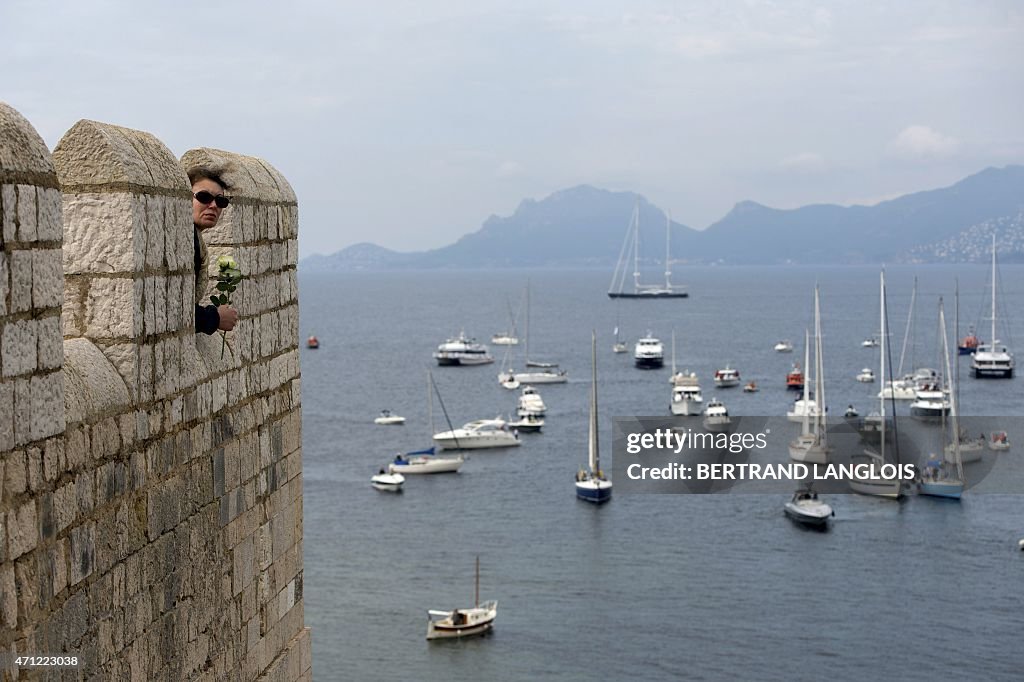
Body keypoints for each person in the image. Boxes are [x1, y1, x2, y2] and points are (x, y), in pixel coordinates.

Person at [189, 166, 239, 335]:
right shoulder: (188, 240)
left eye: (220, 201)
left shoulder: (194, 238)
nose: (213, 206)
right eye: (204, 197)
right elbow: (171, 310)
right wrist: (214, 318)